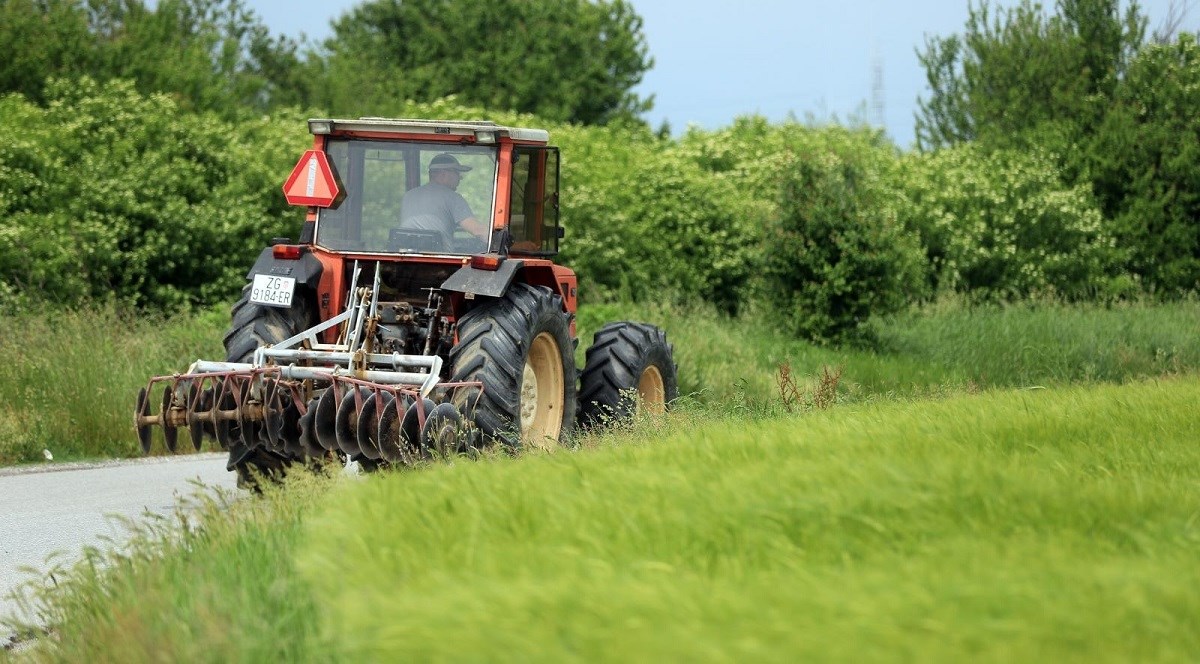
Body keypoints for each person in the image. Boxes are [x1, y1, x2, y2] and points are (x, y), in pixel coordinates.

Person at [398, 153, 490, 250]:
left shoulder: (409, 195)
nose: (460, 178)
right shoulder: (453, 197)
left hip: (405, 259)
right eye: (457, 173)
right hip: (440, 262)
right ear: (443, 174)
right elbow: (477, 230)